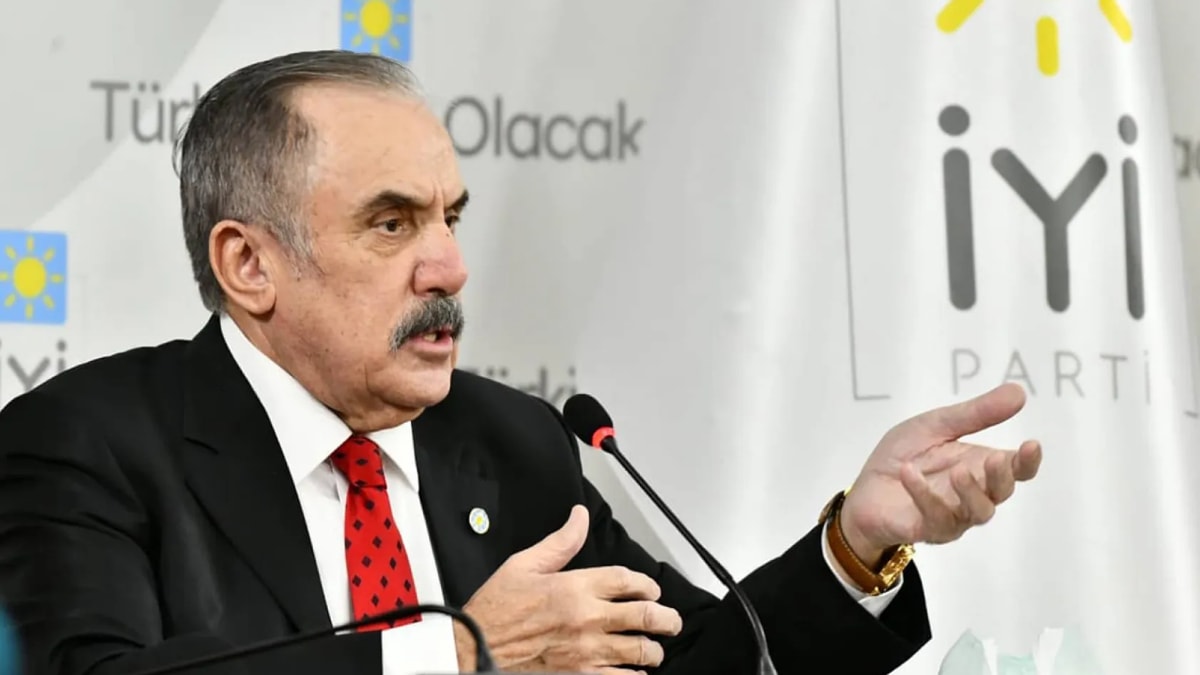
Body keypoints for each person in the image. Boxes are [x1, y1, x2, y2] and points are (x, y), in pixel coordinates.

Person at [0, 50, 1042, 675]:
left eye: (449, 218)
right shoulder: (89, 441)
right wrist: (458, 653)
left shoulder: (508, 440)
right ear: (249, 264)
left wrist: (856, 546)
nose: (449, 266)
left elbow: (699, 663)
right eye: (391, 224)